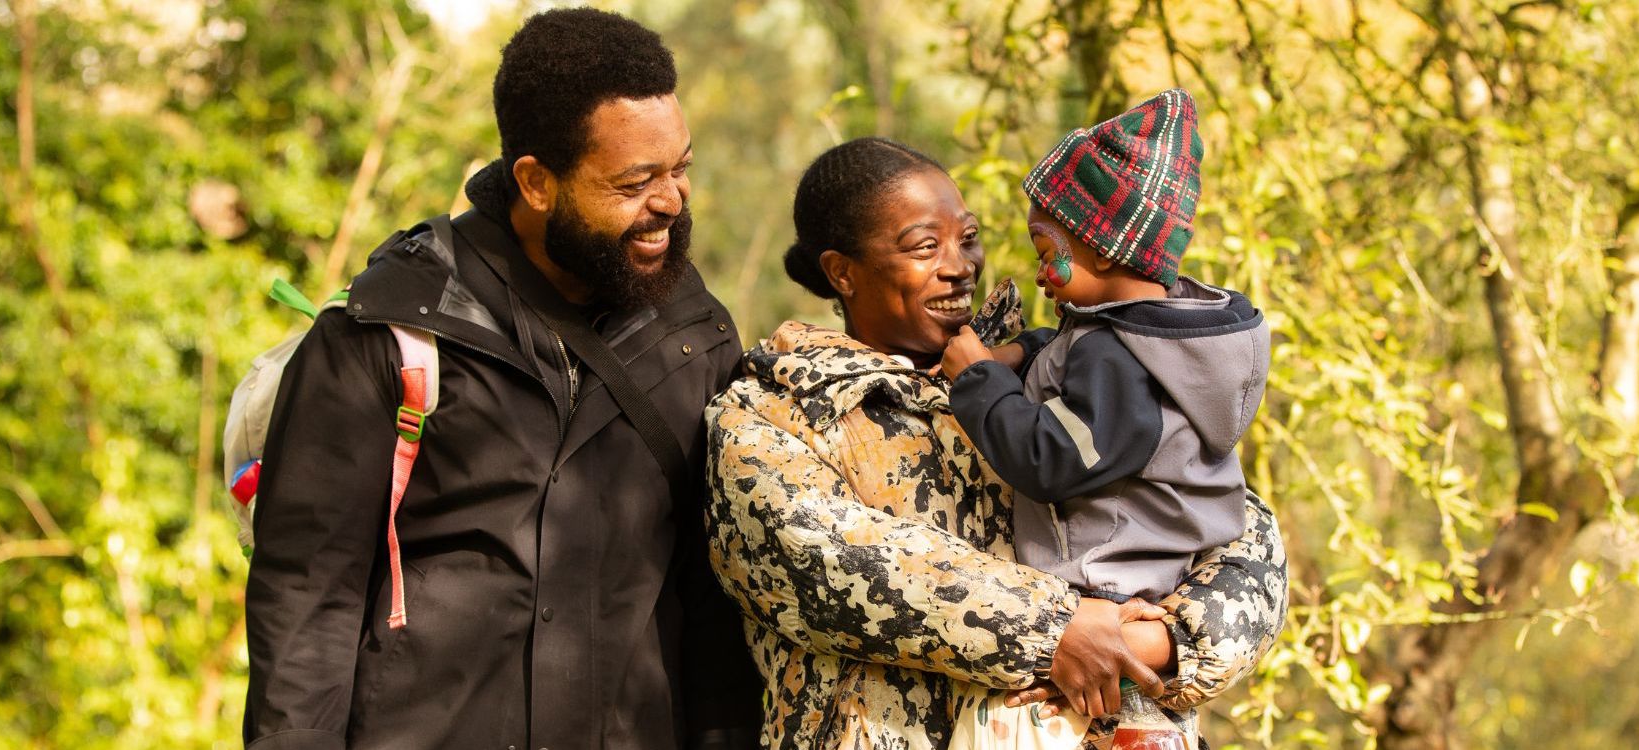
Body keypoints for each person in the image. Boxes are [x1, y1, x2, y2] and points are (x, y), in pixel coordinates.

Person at [244, 9, 758, 749]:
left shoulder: (695, 334)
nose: (671, 202)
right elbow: (305, 604)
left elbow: (711, 605)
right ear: (536, 182)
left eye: (680, 168)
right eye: (635, 181)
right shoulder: (386, 334)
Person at [704, 137, 1288, 748]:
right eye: (925, 246)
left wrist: (1152, 642)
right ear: (841, 272)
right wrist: (1058, 631)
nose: (960, 265)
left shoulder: (1063, 372)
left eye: (969, 238)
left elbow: (1241, 540)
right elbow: (836, 567)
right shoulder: (771, 414)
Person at [938, 89, 1269, 748]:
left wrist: (976, 377)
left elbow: (1052, 459)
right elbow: (1074, 350)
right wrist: (1019, 353)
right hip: (1137, 594)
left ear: (1106, 248)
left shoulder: (1122, 365)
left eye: (1046, 248)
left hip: (1112, 619)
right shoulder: (1155, 339)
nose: (1038, 274)